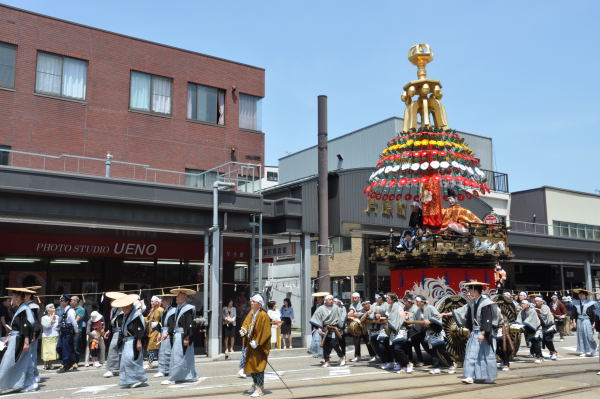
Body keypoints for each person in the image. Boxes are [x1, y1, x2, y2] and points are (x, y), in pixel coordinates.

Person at [447, 281, 499, 384]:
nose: (470, 293)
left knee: (485, 355)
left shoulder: (486, 303)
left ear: (477, 291)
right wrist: (468, 330)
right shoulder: (472, 303)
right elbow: (469, 319)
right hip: (474, 332)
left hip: (483, 332)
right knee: (471, 354)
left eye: (471, 291)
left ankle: (488, 376)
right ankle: (470, 376)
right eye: (469, 291)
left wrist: (483, 333)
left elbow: (487, 319)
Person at [0, 287, 36, 392]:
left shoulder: (24, 309)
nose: (12, 298)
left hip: (20, 340)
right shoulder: (21, 308)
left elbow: (25, 326)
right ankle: (27, 383)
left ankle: (2, 385)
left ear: (18, 297)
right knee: (23, 362)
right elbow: (18, 327)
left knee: (8, 362)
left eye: (13, 296)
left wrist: (26, 342)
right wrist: (8, 338)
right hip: (16, 338)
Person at [161, 287, 198, 385]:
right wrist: (167, 333)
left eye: (178, 296)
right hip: (177, 335)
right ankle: (184, 376)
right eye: (177, 296)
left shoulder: (188, 309)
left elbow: (189, 324)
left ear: (184, 297)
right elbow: (173, 323)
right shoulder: (178, 308)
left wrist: (187, 337)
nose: (176, 298)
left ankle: (177, 377)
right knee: (178, 357)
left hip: (183, 335)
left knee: (180, 357)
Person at [413, 296, 456, 375]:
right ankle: (436, 367)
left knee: (442, 350)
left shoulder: (430, 308)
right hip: (429, 333)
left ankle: (451, 364)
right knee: (433, 351)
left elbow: (437, 316)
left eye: (417, 301)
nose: (416, 303)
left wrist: (430, 321)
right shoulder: (418, 311)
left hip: (437, 332)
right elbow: (417, 320)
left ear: (422, 302)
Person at [240, 294, 271, 398]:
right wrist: (243, 330)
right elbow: (246, 324)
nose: (251, 303)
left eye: (253, 301)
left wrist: (257, 342)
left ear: (259, 304)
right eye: (251, 301)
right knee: (251, 366)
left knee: (259, 367)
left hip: (260, 347)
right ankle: (254, 384)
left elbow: (266, 332)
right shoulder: (251, 313)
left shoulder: (264, 315)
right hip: (250, 345)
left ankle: (260, 388)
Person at [113, 294, 147, 388]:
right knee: (125, 361)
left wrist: (139, 341)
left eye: (124, 307)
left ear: (129, 306)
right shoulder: (126, 315)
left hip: (134, 341)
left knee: (132, 360)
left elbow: (140, 329)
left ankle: (137, 379)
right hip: (127, 341)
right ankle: (127, 380)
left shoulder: (136, 315)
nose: (123, 309)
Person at [311, 295, 346, 368]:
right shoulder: (321, 308)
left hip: (334, 328)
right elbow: (316, 318)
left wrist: (341, 326)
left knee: (334, 344)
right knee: (325, 345)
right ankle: (327, 361)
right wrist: (319, 327)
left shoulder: (336, 308)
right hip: (325, 329)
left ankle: (342, 357)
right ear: (325, 300)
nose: (331, 300)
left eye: (332, 299)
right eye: (330, 299)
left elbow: (341, 316)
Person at [386, 293, 412, 374]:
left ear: (393, 299)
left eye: (388, 298)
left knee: (398, 348)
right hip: (395, 330)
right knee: (395, 349)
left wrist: (393, 323)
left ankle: (408, 363)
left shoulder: (398, 306)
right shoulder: (391, 306)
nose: (386, 299)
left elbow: (402, 317)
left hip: (400, 330)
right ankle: (403, 366)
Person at [103, 292, 126, 378]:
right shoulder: (113, 310)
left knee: (115, 349)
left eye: (112, 300)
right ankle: (114, 368)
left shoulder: (122, 309)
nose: (111, 302)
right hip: (115, 331)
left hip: (121, 331)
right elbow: (113, 321)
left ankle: (112, 369)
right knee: (115, 350)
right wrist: (109, 330)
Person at [347, 293, 375, 362]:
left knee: (368, 341)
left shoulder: (365, 305)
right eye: (353, 298)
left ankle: (373, 355)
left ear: (359, 298)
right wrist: (354, 314)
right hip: (357, 326)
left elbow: (359, 315)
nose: (354, 299)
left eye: (355, 298)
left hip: (367, 327)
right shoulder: (352, 304)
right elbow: (351, 313)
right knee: (356, 341)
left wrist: (356, 314)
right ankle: (357, 356)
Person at [154, 294, 176, 379]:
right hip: (164, 331)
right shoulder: (164, 311)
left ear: (167, 301)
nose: (161, 302)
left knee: (167, 352)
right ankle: (162, 370)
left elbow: (172, 324)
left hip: (168, 333)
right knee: (162, 352)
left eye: (163, 300)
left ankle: (167, 370)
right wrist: (159, 333)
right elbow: (161, 324)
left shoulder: (173, 310)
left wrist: (167, 333)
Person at [23, 287, 42, 385]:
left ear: (29, 295)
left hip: (33, 333)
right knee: (28, 355)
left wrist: (33, 334)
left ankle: (35, 374)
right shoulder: (25, 305)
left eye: (25, 294)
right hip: (27, 332)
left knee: (32, 355)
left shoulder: (33, 306)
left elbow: (33, 321)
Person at [571, 288, 597, 357]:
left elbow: (593, 314)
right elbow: (574, 313)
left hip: (587, 320)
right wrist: (574, 322)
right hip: (579, 320)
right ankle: (582, 351)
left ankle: (591, 350)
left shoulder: (590, 303)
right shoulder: (575, 303)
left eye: (582, 294)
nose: (581, 296)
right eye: (580, 294)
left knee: (588, 335)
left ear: (585, 295)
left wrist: (594, 323)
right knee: (580, 336)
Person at [57, 294, 78, 373]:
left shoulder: (71, 311)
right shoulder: (64, 309)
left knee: (66, 349)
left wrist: (76, 331)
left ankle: (66, 365)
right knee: (59, 347)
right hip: (63, 332)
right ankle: (72, 361)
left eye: (62, 301)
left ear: (66, 302)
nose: (60, 302)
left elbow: (74, 322)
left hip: (68, 332)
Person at [144, 296, 163, 369]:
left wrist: (160, 332)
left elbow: (162, 321)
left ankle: (149, 363)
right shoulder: (152, 310)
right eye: (151, 301)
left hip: (157, 330)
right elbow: (148, 319)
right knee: (154, 348)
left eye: (153, 301)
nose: (151, 303)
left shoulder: (160, 310)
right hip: (151, 330)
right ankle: (159, 362)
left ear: (157, 302)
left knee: (151, 347)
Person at [40, 303, 59, 370]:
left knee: (52, 351)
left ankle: (50, 364)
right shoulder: (44, 317)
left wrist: (59, 328)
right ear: (48, 310)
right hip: (46, 336)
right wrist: (51, 319)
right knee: (46, 351)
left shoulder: (57, 317)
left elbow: (59, 325)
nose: (54, 309)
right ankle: (45, 363)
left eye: (54, 307)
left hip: (55, 335)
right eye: (52, 308)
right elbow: (46, 326)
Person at [70, 296, 86, 369]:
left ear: (76, 301)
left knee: (76, 347)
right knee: (69, 346)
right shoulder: (70, 309)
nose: (70, 302)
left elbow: (76, 320)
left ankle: (75, 362)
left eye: (71, 300)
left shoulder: (81, 309)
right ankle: (69, 361)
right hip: (69, 330)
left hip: (77, 331)